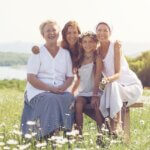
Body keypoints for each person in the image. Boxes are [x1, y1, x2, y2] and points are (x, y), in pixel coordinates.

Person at [21, 20, 75, 139]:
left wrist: (63, 87)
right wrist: (50, 89)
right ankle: (47, 136)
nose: (51, 33)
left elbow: (70, 76)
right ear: (43, 35)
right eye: (48, 31)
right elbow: (31, 78)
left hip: (60, 90)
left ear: (59, 33)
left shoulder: (65, 54)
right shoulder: (37, 52)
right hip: (38, 90)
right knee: (50, 98)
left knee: (69, 98)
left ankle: (68, 136)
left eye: (54, 30)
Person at [96, 22, 143, 134]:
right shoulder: (96, 50)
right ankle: (109, 130)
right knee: (107, 91)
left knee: (112, 87)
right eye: (99, 30)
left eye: (105, 30)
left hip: (129, 86)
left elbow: (118, 73)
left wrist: (107, 80)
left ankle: (116, 126)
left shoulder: (115, 46)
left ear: (110, 33)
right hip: (113, 87)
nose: (102, 33)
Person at [71, 32, 103, 135]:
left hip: (95, 91)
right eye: (84, 42)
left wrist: (94, 95)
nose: (87, 44)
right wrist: (71, 92)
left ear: (95, 43)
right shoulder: (79, 59)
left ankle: (101, 135)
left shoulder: (97, 58)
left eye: (90, 41)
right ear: (81, 43)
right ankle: (79, 135)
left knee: (97, 106)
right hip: (83, 93)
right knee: (78, 105)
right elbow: (78, 79)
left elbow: (98, 76)